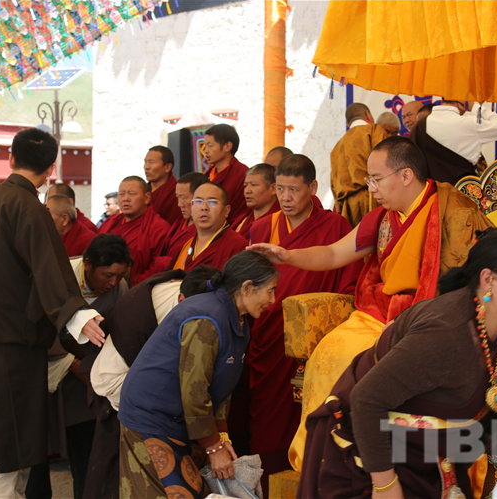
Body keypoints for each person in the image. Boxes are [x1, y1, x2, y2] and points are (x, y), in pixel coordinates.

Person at [249, 136, 492, 472]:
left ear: (405, 176)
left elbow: (472, 283)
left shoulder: (456, 213)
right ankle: (325, 462)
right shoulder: (381, 218)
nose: (370, 188)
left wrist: (417, 319)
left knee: (370, 364)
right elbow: (333, 253)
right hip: (377, 313)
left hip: (429, 317)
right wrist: (288, 255)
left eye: (376, 179)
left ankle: (373, 464)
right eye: (369, 179)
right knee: (328, 354)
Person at [298, 228, 497, 498]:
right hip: (369, 456)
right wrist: (385, 485)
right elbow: (366, 400)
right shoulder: (445, 335)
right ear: (488, 280)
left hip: (434, 460)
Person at [0, 127, 105, 499]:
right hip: (14, 354)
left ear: (10, 158)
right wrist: (79, 315)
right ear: (50, 170)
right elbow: (51, 272)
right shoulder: (30, 208)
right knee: (7, 455)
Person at [118, 251, 279, 499]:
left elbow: (223, 383)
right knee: (172, 493)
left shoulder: (237, 319)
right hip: (151, 416)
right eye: (270, 291)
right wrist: (213, 447)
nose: (272, 299)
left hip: (179, 419)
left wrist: (221, 434)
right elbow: (195, 389)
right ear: (247, 288)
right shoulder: (207, 319)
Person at [248, 155, 363, 491]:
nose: (285, 198)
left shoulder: (335, 227)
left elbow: (349, 286)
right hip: (267, 336)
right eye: (280, 189)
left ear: (312, 187)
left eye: (294, 190)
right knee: (266, 419)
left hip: (315, 344)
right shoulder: (263, 227)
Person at [85, 266, 218, 499]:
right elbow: (107, 380)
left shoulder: (200, 305)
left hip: (153, 406)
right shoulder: (180, 312)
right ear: (181, 299)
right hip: (119, 393)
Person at [26, 234, 132, 499]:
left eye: (120, 276)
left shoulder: (119, 289)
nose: (113, 283)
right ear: (87, 265)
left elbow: (119, 333)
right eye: (107, 275)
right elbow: (39, 327)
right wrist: (71, 363)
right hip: (47, 366)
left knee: (85, 443)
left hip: (88, 373)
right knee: (37, 444)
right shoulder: (58, 280)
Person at [137, 182, 248, 283]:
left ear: (226, 210)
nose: (204, 208)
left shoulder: (237, 245)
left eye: (212, 202)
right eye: (198, 202)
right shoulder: (187, 243)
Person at [411, 100, 497, 185]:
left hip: (433, 194)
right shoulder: (468, 123)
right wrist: (475, 107)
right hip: (463, 193)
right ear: (462, 101)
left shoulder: (420, 126)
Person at [98, 176, 171, 285]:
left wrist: (132, 288)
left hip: (138, 288)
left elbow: (158, 267)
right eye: (121, 194)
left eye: (132, 194)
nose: (126, 198)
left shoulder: (159, 227)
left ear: (147, 198)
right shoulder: (110, 222)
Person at [330, 102, 389, 227]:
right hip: (373, 199)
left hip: (347, 207)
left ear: (348, 124)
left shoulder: (337, 147)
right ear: (368, 114)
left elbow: (334, 184)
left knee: (354, 238)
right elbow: (388, 165)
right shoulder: (374, 130)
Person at [204, 124, 249, 227]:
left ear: (227, 146)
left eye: (210, 145)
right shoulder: (208, 175)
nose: (206, 150)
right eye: (205, 146)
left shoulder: (242, 174)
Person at [159, 172, 209, 260]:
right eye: (178, 197)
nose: (179, 204)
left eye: (184, 198)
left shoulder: (208, 229)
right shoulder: (180, 222)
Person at [234, 163, 279, 238]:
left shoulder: (282, 220)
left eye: (254, 185)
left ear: (273, 188)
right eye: (245, 185)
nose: (247, 191)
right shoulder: (243, 220)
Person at [145, 145, 182, 225]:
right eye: (145, 162)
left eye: (151, 162)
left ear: (167, 167)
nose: (146, 167)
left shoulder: (177, 192)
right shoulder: (142, 190)